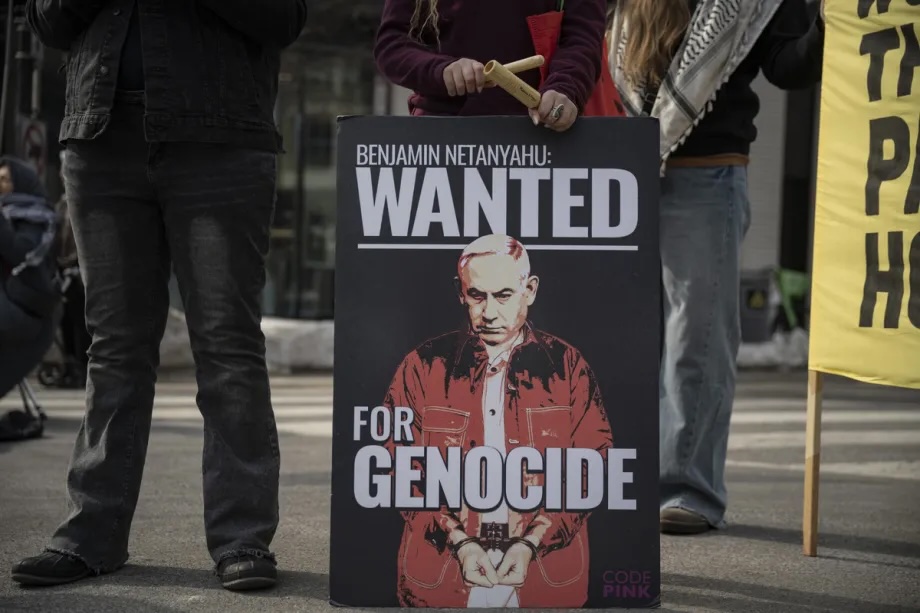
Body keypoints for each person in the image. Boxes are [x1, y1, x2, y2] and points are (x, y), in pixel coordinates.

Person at [13, 0, 307, 590]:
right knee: (115, 345)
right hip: (100, 140)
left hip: (219, 137)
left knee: (227, 344)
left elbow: (284, 18)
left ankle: (242, 539)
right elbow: (48, 23)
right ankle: (91, 535)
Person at [605, 0, 826, 535]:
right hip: (626, 169)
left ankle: (688, 491)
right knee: (631, 341)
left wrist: (828, 24)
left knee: (696, 342)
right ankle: (626, 485)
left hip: (709, 175)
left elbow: (790, 66)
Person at [383, 234, 613, 608]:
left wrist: (532, 541)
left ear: (530, 290)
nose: (489, 311)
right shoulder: (422, 366)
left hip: (548, 577)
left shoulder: (567, 366)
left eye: (504, 295)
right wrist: (459, 541)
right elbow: (397, 466)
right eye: (477, 295)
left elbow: (593, 464)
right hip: (438, 578)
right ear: (461, 292)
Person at [374, 0, 609, 131]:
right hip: (441, 136)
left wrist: (565, 87)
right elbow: (393, 44)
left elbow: (582, 38)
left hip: (538, 137)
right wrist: (441, 70)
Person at [0, 156, 59, 425]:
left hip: (26, 308)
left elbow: (19, 252)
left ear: (21, 184)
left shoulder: (37, 218)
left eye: (4, 180)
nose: (0, 186)